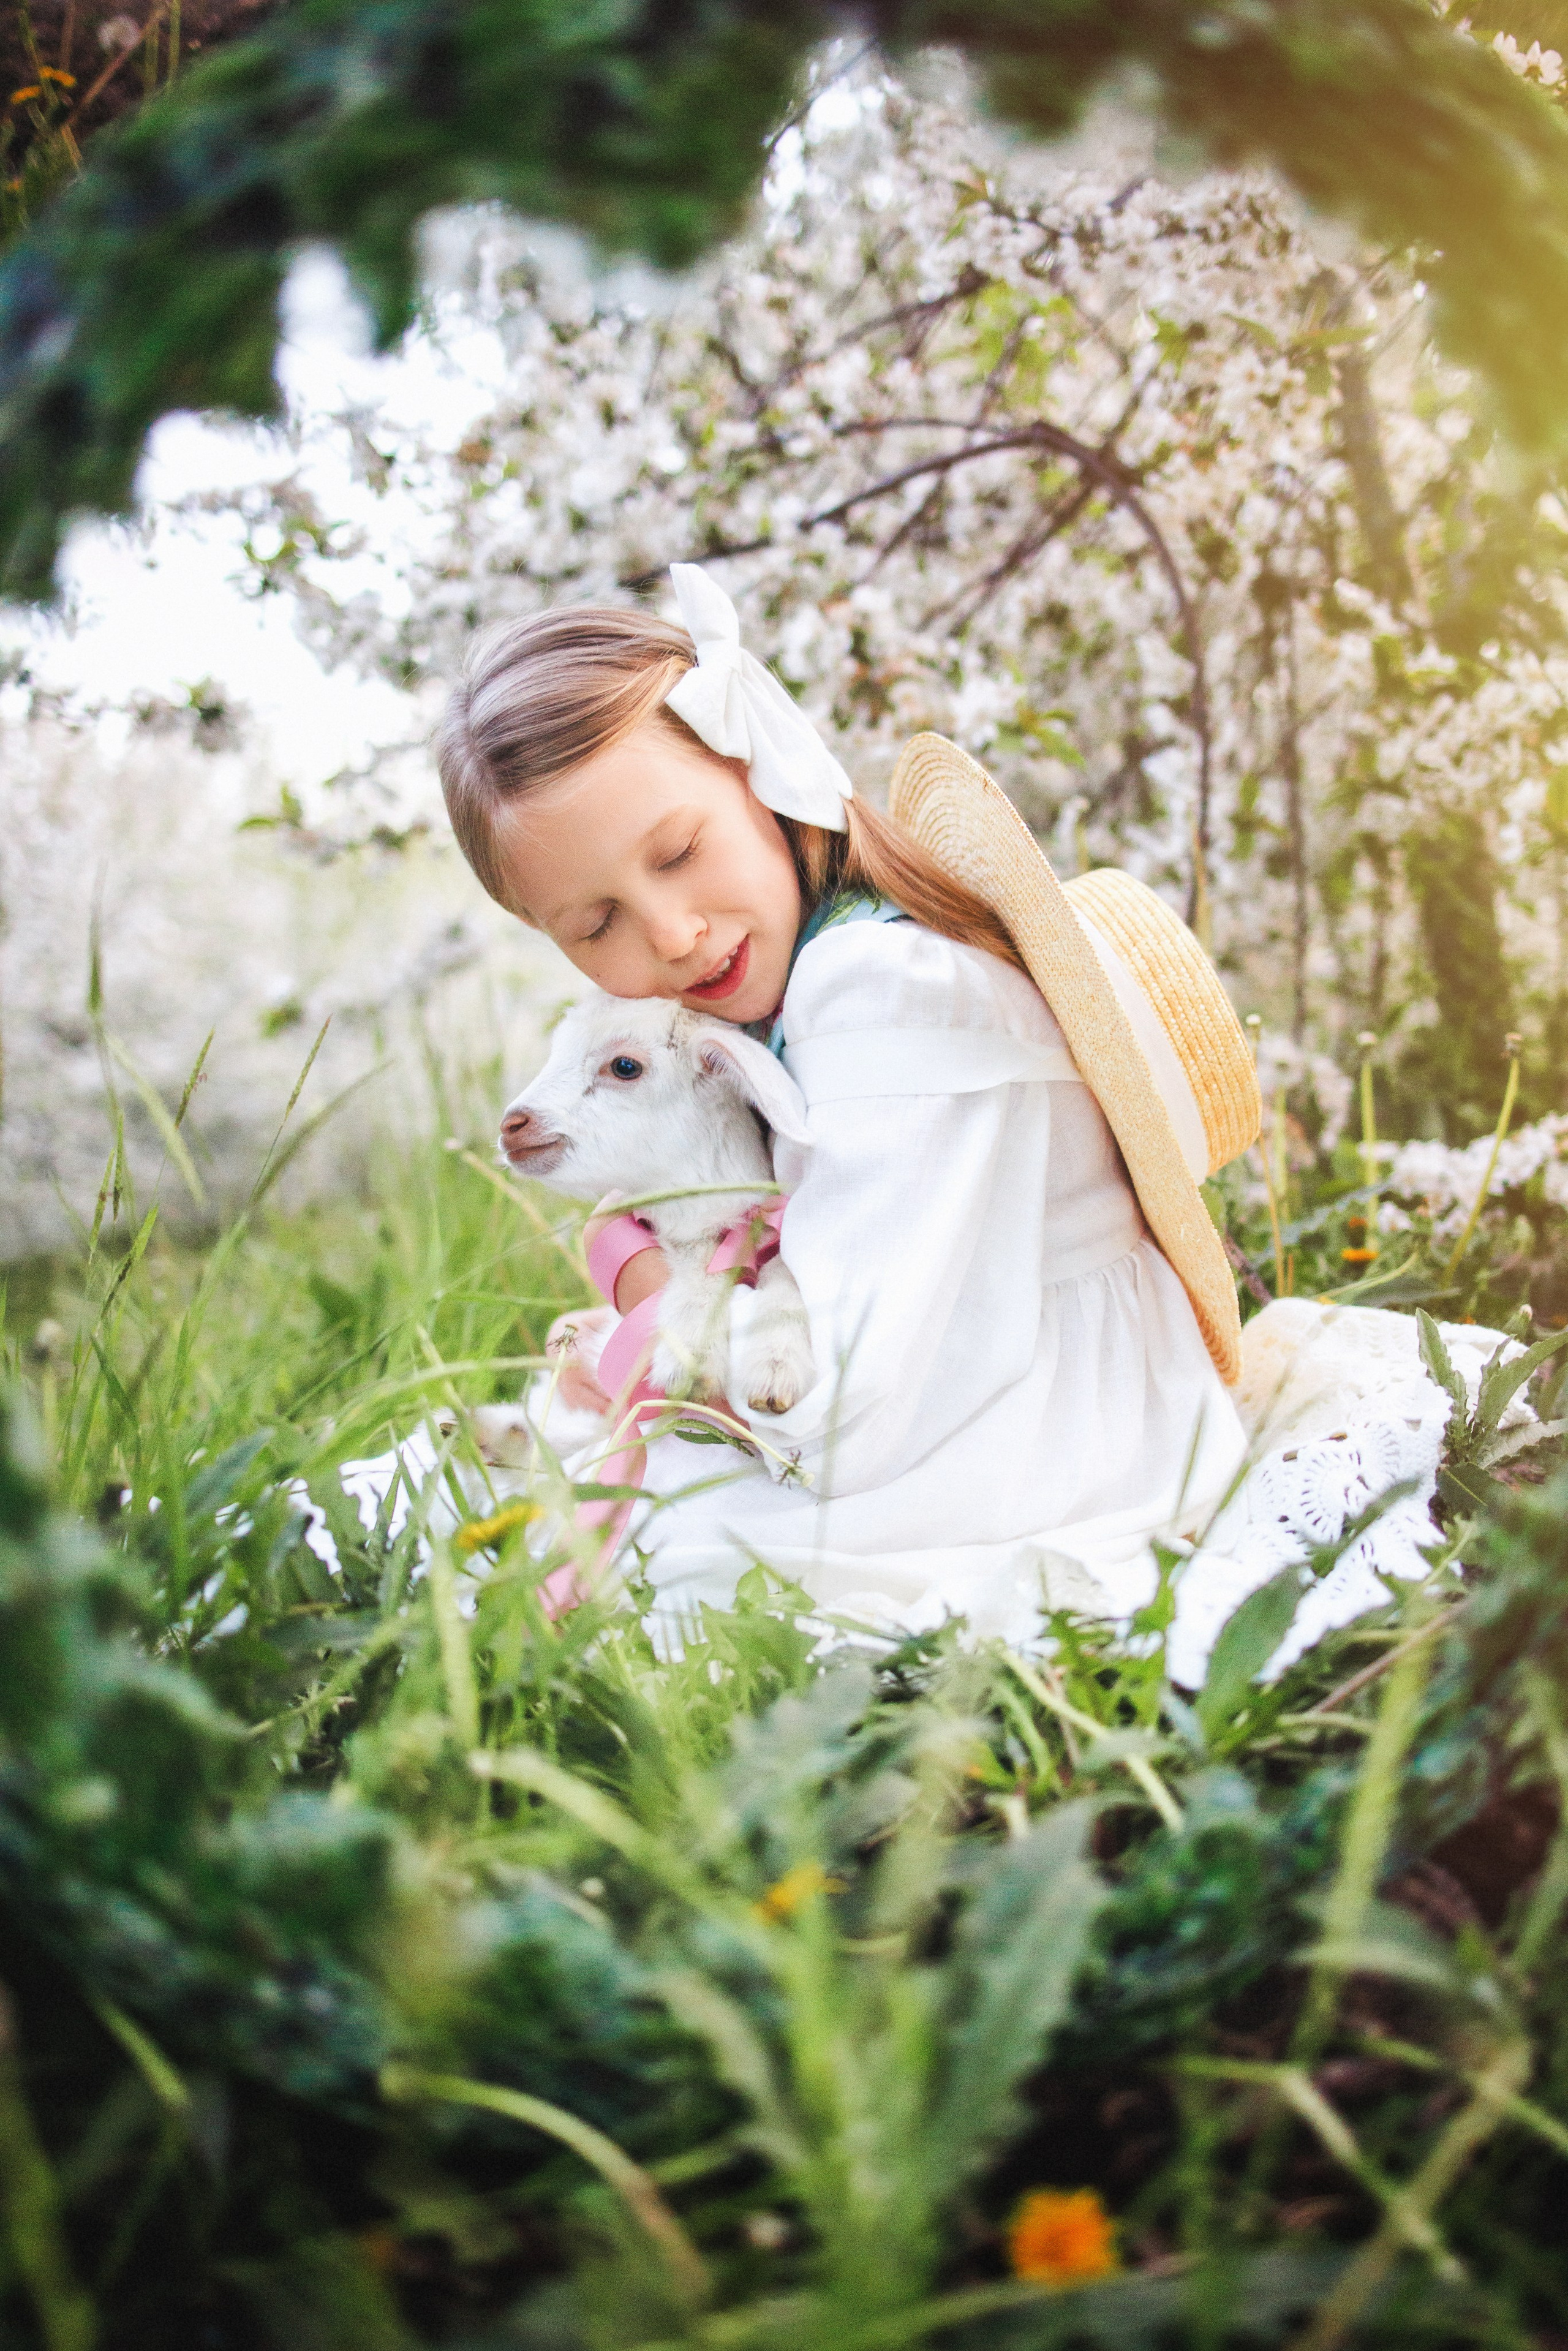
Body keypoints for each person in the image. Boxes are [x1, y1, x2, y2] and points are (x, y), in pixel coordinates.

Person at [430, 565, 1510, 1681]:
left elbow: (848, 1392)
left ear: (758, 772)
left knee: (671, 1548)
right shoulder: (822, 959)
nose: (672, 933)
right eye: (597, 921)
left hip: (1037, 1425)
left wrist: (664, 1315)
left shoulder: (871, 986)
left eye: (678, 852)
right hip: (986, 1368)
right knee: (577, 1479)